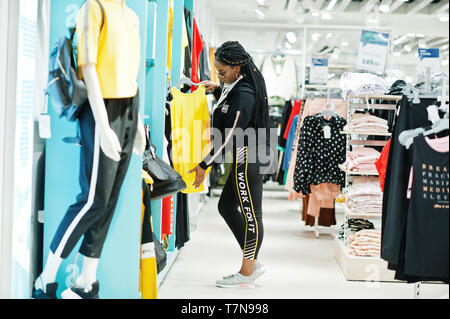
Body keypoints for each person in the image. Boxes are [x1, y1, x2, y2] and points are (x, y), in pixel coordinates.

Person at [32, 0, 145, 299]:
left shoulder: (132, 16)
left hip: (128, 107)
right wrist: (103, 124)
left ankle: (86, 280)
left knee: (107, 202)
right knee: (93, 199)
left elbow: (132, 73)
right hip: (101, 109)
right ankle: (47, 278)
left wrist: (138, 124)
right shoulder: (93, 7)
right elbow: (88, 68)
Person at [189, 41, 270, 289]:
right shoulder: (238, 85)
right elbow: (229, 106)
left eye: (222, 73)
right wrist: (217, 89)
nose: (219, 76)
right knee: (226, 206)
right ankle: (251, 261)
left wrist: (205, 164)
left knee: (251, 214)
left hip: (248, 156)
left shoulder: (244, 94)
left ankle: (247, 273)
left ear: (237, 67)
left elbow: (231, 134)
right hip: (246, 155)